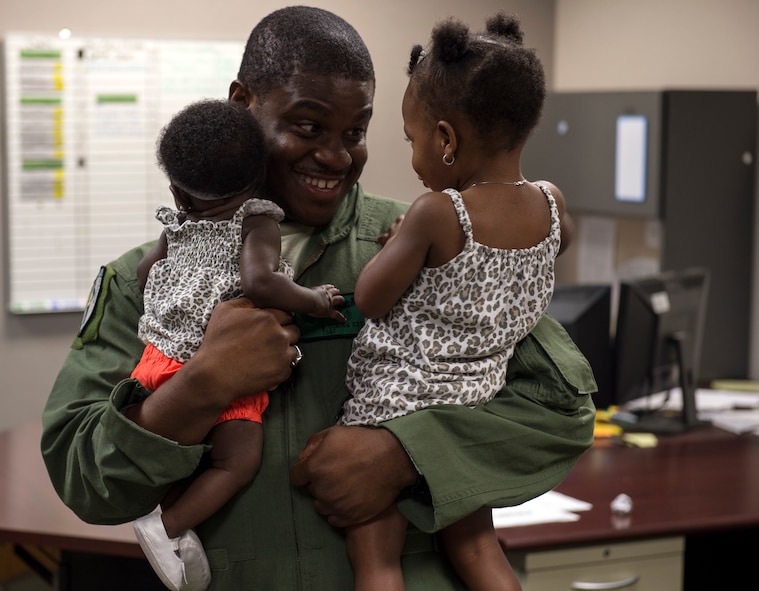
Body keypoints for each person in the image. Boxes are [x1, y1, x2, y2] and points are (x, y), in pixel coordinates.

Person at [40, 6, 597, 590]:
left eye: (355, 132)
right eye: (307, 127)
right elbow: (84, 479)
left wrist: (403, 454)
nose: (336, 157)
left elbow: (558, 409)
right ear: (242, 105)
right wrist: (200, 385)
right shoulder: (150, 280)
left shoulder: (429, 245)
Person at [339, 14, 566, 591]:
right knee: (479, 549)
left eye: (412, 139)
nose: (414, 152)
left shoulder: (439, 214)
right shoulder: (551, 202)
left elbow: (370, 299)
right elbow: (550, 251)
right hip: (472, 408)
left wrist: (399, 248)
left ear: (445, 139)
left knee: (378, 559)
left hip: (394, 406)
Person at [129, 98, 345, 591]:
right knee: (237, 460)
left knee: (187, 458)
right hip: (225, 367)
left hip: (158, 360)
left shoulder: (178, 224)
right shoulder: (256, 218)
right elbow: (260, 283)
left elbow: (146, 274)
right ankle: (165, 528)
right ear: (258, 179)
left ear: (179, 193)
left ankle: (181, 532)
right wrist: (312, 300)